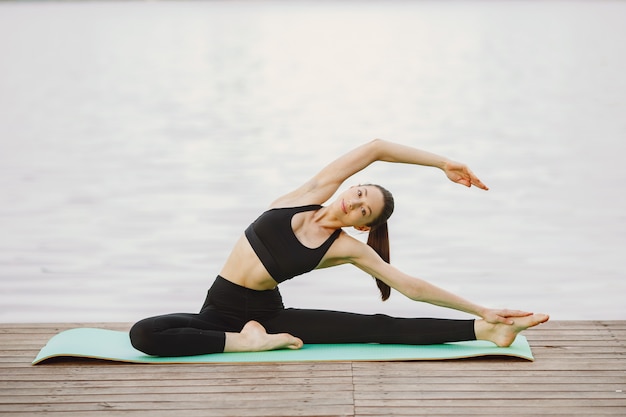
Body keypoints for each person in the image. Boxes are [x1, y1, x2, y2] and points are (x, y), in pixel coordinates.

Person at [130, 139, 549, 356]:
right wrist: (442, 163)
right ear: (351, 186)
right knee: (145, 333)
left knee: (376, 327)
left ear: (364, 225)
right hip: (217, 313)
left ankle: (490, 332)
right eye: (360, 191)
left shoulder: (345, 247)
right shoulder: (310, 192)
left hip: (267, 316)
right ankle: (245, 342)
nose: (355, 200)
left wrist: (481, 312)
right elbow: (376, 148)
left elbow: (411, 287)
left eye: (364, 209)